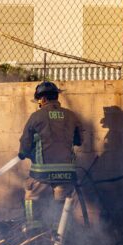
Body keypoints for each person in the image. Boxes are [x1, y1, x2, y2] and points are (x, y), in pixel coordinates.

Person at [17, 81, 83, 231]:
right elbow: (78, 141)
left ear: (44, 99)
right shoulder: (71, 116)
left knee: (30, 196)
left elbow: (25, 145)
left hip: (42, 174)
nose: (39, 104)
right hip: (67, 174)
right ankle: (59, 236)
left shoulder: (36, 117)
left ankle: (33, 230)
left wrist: (24, 153)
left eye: (38, 101)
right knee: (61, 203)